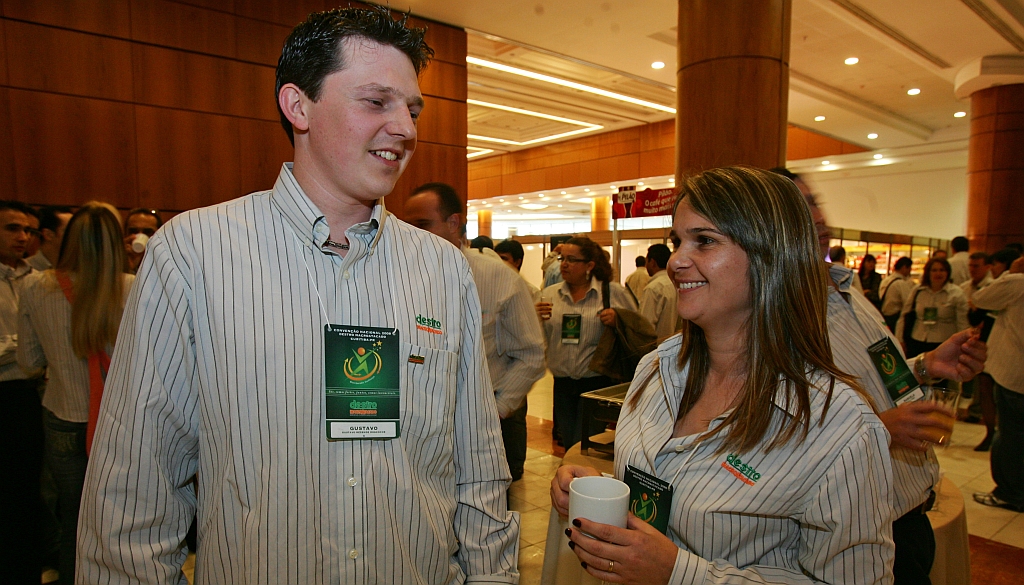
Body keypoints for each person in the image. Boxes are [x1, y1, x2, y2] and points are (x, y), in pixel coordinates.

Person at [77, 8, 520, 584]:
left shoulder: (443, 268)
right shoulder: (192, 255)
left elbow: (477, 469)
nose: (406, 129)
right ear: (298, 105)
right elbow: (136, 495)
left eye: (411, 109)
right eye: (376, 102)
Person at [552, 167, 895, 584]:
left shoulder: (839, 427)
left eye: (706, 241)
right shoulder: (657, 369)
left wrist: (680, 574)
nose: (676, 260)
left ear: (771, 256)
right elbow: (671, 499)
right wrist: (607, 493)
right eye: (678, 240)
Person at [777, 167, 986, 584]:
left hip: (909, 513)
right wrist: (874, 430)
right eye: (800, 209)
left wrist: (927, 365)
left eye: (815, 200)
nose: (817, 217)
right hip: (862, 530)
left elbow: (879, 375)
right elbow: (775, 433)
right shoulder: (780, 314)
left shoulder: (848, 291)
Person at [17, 203, 134, 585]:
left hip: (64, 420)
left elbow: (29, 360)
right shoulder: (132, 287)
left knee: (74, 518)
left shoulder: (35, 286)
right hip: (119, 426)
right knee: (120, 519)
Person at [405, 182, 546, 482]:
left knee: (482, 513)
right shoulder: (403, 279)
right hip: (420, 428)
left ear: (453, 223)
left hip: (481, 430)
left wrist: (497, 408)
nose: (413, 234)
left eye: (423, 225)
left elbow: (531, 354)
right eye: (408, 226)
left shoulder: (498, 279)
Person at [536, 236, 636, 448]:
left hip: (595, 383)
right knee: (570, 441)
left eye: (572, 260)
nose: (564, 264)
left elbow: (636, 325)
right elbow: (537, 337)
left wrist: (618, 319)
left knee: (585, 443)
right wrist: (533, 317)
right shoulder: (549, 294)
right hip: (562, 383)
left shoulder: (610, 291)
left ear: (589, 265)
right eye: (563, 258)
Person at [0, 200, 46, 585]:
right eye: (12, 228)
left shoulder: (37, 278)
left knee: (27, 493)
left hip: (29, 396)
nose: (22, 237)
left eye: (28, 230)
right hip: (4, 392)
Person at [971, 256, 1024, 512]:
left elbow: (981, 299)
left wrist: (1011, 273)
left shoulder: (1017, 283)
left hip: (1015, 376)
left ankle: (1009, 492)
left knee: (1011, 437)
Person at [896, 257, 970, 358]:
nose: (938, 273)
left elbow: (963, 322)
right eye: (934, 270)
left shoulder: (957, 293)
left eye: (942, 270)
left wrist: (962, 345)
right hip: (917, 340)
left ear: (948, 272)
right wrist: (900, 339)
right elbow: (904, 315)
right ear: (928, 272)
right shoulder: (918, 291)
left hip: (943, 343)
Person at [639, 243, 676, 343]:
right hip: (674, 345)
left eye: (647, 261)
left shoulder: (653, 288)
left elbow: (646, 326)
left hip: (657, 349)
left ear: (652, 262)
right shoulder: (675, 284)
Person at [26, 206, 73, 271]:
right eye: (69, 230)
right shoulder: (26, 269)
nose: (76, 235)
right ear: (48, 234)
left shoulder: (79, 269)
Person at [880, 257, 915, 332]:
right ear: (904, 267)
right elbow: (908, 303)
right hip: (895, 318)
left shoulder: (886, 280)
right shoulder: (901, 283)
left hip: (885, 317)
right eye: (909, 268)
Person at [122, 208, 162, 274]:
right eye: (133, 231)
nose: (140, 235)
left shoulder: (165, 263)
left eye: (148, 232)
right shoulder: (117, 263)